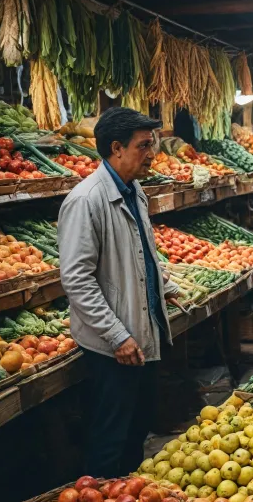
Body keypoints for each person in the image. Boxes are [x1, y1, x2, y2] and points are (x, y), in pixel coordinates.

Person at [58, 107, 180, 477]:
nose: (153, 153)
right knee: (109, 437)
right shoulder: (85, 200)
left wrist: (166, 286)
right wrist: (116, 335)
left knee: (136, 430)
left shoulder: (135, 191)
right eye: (144, 145)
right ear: (116, 148)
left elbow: (144, 251)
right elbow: (77, 279)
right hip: (114, 346)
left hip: (142, 333)